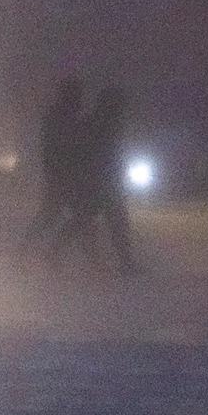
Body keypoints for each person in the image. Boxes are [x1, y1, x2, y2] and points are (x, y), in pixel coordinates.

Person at [50, 85, 138, 274]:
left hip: (98, 181)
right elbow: (101, 154)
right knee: (98, 220)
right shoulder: (104, 123)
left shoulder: (97, 121)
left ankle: (53, 254)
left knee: (88, 220)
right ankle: (125, 261)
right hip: (101, 182)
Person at [21, 78, 85, 253]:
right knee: (75, 216)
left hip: (61, 174)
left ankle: (30, 249)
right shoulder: (62, 118)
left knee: (62, 215)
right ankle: (43, 251)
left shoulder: (59, 117)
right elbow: (63, 148)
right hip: (61, 174)